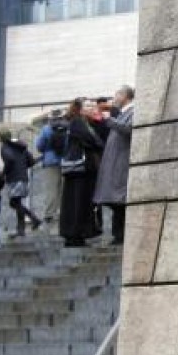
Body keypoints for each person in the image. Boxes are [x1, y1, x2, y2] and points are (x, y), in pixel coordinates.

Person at [92, 85, 134, 245]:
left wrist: (107, 120)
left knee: (119, 201)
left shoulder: (133, 112)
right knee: (115, 201)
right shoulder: (122, 114)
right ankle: (118, 235)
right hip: (114, 163)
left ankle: (120, 235)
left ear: (125, 96)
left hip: (121, 163)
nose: (114, 98)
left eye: (117, 94)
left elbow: (128, 128)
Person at [59, 98, 104, 247]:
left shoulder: (85, 123)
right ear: (80, 109)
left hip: (83, 170)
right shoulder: (77, 122)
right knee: (77, 202)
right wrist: (98, 143)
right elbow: (93, 140)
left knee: (79, 202)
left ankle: (77, 234)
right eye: (88, 106)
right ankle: (74, 234)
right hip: (80, 171)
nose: (92, 108)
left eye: (93, 105)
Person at [0, 129, 42, 237]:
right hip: (23, 177)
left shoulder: (5, 147)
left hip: (14, 178)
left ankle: (25, 226)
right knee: (16, 202)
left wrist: (3, 173)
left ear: (1, 139)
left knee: (15, 203)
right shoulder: (20, 147)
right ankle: (29, 223)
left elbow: (10, 160)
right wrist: (22, 167)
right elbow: (31, 161)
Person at [34, 109, 68, 228]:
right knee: (64, 189)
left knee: (51, 189)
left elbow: (39, 146)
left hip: (50, 161)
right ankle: (64, 212)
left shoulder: (46, 129)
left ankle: (49, 214)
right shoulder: (68, 127)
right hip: (66, 161)